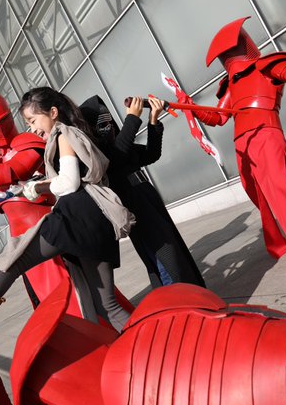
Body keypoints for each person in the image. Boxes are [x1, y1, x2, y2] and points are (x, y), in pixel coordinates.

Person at [0, 87, 135, 352]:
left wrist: (37, 186)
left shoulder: (55, 136)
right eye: (27, 122)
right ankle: (153, 339)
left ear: (53, 112)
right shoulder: (69, 133)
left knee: (11, 263)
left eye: (33, 120)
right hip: (88, 222)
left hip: (67, 221)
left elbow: (61, 181)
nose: (32, 128)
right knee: (106, 305)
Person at [182, 16, 286, 262]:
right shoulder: (232, 83)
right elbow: (218, 117)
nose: (228, 57)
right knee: (265, 192)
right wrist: (190, 106)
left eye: (229, 51)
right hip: (243, 144)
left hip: (265, 132)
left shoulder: (266, 66)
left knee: (285, 184)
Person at [80, 95, 206, 289]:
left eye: (108, 121)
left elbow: (150, 155)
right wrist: (132, 118)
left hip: (147, 196)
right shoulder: (98, 153)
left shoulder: (119, 143)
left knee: (172, 248)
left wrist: (153, 119)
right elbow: (117, 156)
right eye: (101, 123)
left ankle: (191, 292)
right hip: (132, 203)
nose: (107, 127)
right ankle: (179, 296)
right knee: (163, 254)